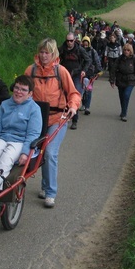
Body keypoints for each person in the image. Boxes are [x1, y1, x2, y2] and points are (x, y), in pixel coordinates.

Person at [24, 38, 81, 208]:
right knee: (35, 151)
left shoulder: (61, 71)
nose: (43, 55)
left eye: (47, 52)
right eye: (41, 52)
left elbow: (74, 93)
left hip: (57, 119)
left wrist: (72, 106)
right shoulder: (31, 70)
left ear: (53, 53)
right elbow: (22, 90)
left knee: (49, 152)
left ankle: (50, 192)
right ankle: (43, 185)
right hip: (36, 119)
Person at [0, 75, 43, 193]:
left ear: (30, 94)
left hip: (20, 141)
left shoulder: (34, 109)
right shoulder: (5, 104)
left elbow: (32, 134)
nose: (18, 92)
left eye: (23, 89)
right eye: (17, 88)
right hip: (3, 137)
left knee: (6, 159)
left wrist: (25, 153)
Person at [58, 32, 91, 130]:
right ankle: (63, 116)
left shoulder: (79, 49)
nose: (69, 43)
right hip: (64, 75)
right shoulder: (61, 49)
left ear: (74, 40)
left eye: (71, 41)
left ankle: (74, 120)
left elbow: (88, 60)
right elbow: (55, 58)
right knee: (63, 96)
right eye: (67, 41)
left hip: (76, 75)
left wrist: (84, 70)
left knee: (75, 96)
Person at [110, 43, 135, 122]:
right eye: (125, 50)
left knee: (126, 95)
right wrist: (112, 80)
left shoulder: (134, 59)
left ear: (131, 51)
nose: (126, 52)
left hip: (130, 80)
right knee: (122, 97)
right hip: (120, 79)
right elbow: (113, 69)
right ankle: (123, 110)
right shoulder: (119, 59)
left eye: (128, 50)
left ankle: (124, 114)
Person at [80, 36, 102, 116]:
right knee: (82, 89)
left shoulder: (93, 52)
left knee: (88, 90)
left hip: (90, 72)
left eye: (86, 45)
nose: (85, 46)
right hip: (82, 72)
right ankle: (83, 104)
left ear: (89, 44)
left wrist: (99, 70)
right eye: (84, 45)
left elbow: (97, 61)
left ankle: (87, 107)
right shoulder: (79, 51)